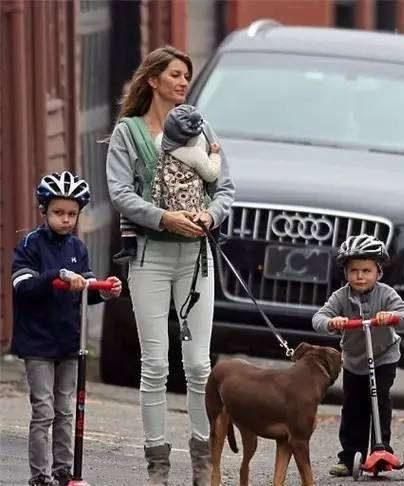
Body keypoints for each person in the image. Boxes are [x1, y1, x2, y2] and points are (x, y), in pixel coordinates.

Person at [105, 45, 235, 485]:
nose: (183, 82)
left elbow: (226, 187)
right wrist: (163, 217)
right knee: (155, 363)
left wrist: (209, 216)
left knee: (199, 365)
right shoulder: (129, 132)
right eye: (175, 75)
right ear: (152, 80)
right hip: (150, 256)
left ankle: (202, 465)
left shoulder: (200, 126)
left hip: (196, 257)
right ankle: (158, 466)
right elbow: (121, 193)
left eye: (186, 75)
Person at [11, 171, 122, 486]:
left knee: (64, 411)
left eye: (72, 214)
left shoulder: (77, 248)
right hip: (38, 345)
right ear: (43, 210)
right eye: (58, 213)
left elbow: (84, 288)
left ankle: (63, 471)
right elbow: (23, 287)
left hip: (68, 344)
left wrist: (104, 290)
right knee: (43, 411)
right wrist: (56, 276)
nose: (65, 219)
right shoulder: (30, 246)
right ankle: (39, 475)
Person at [312, 234, 404, 477]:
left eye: (366, 271)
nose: (360, 276)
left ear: (378, 272)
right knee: (353, 409)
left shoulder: (386, 294)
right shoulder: (340, 297)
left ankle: (381, 450)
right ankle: (349, 457)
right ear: (346, 273)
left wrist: (392, 317)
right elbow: (318, 318)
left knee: (379, 403)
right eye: (354, 270)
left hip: (383, 357)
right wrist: (332, 322)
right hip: (355, 361)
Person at [113, 103, 222, 263]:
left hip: (162, 205)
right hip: (191, 213)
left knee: (134, 196)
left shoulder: (160, 144)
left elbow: (122, 194)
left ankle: (129, 243)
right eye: (175, 75)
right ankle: (217, 234)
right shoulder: (195, 154)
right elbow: (212, 174)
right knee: (209, 197)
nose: (183, 83)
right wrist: (214, 155)